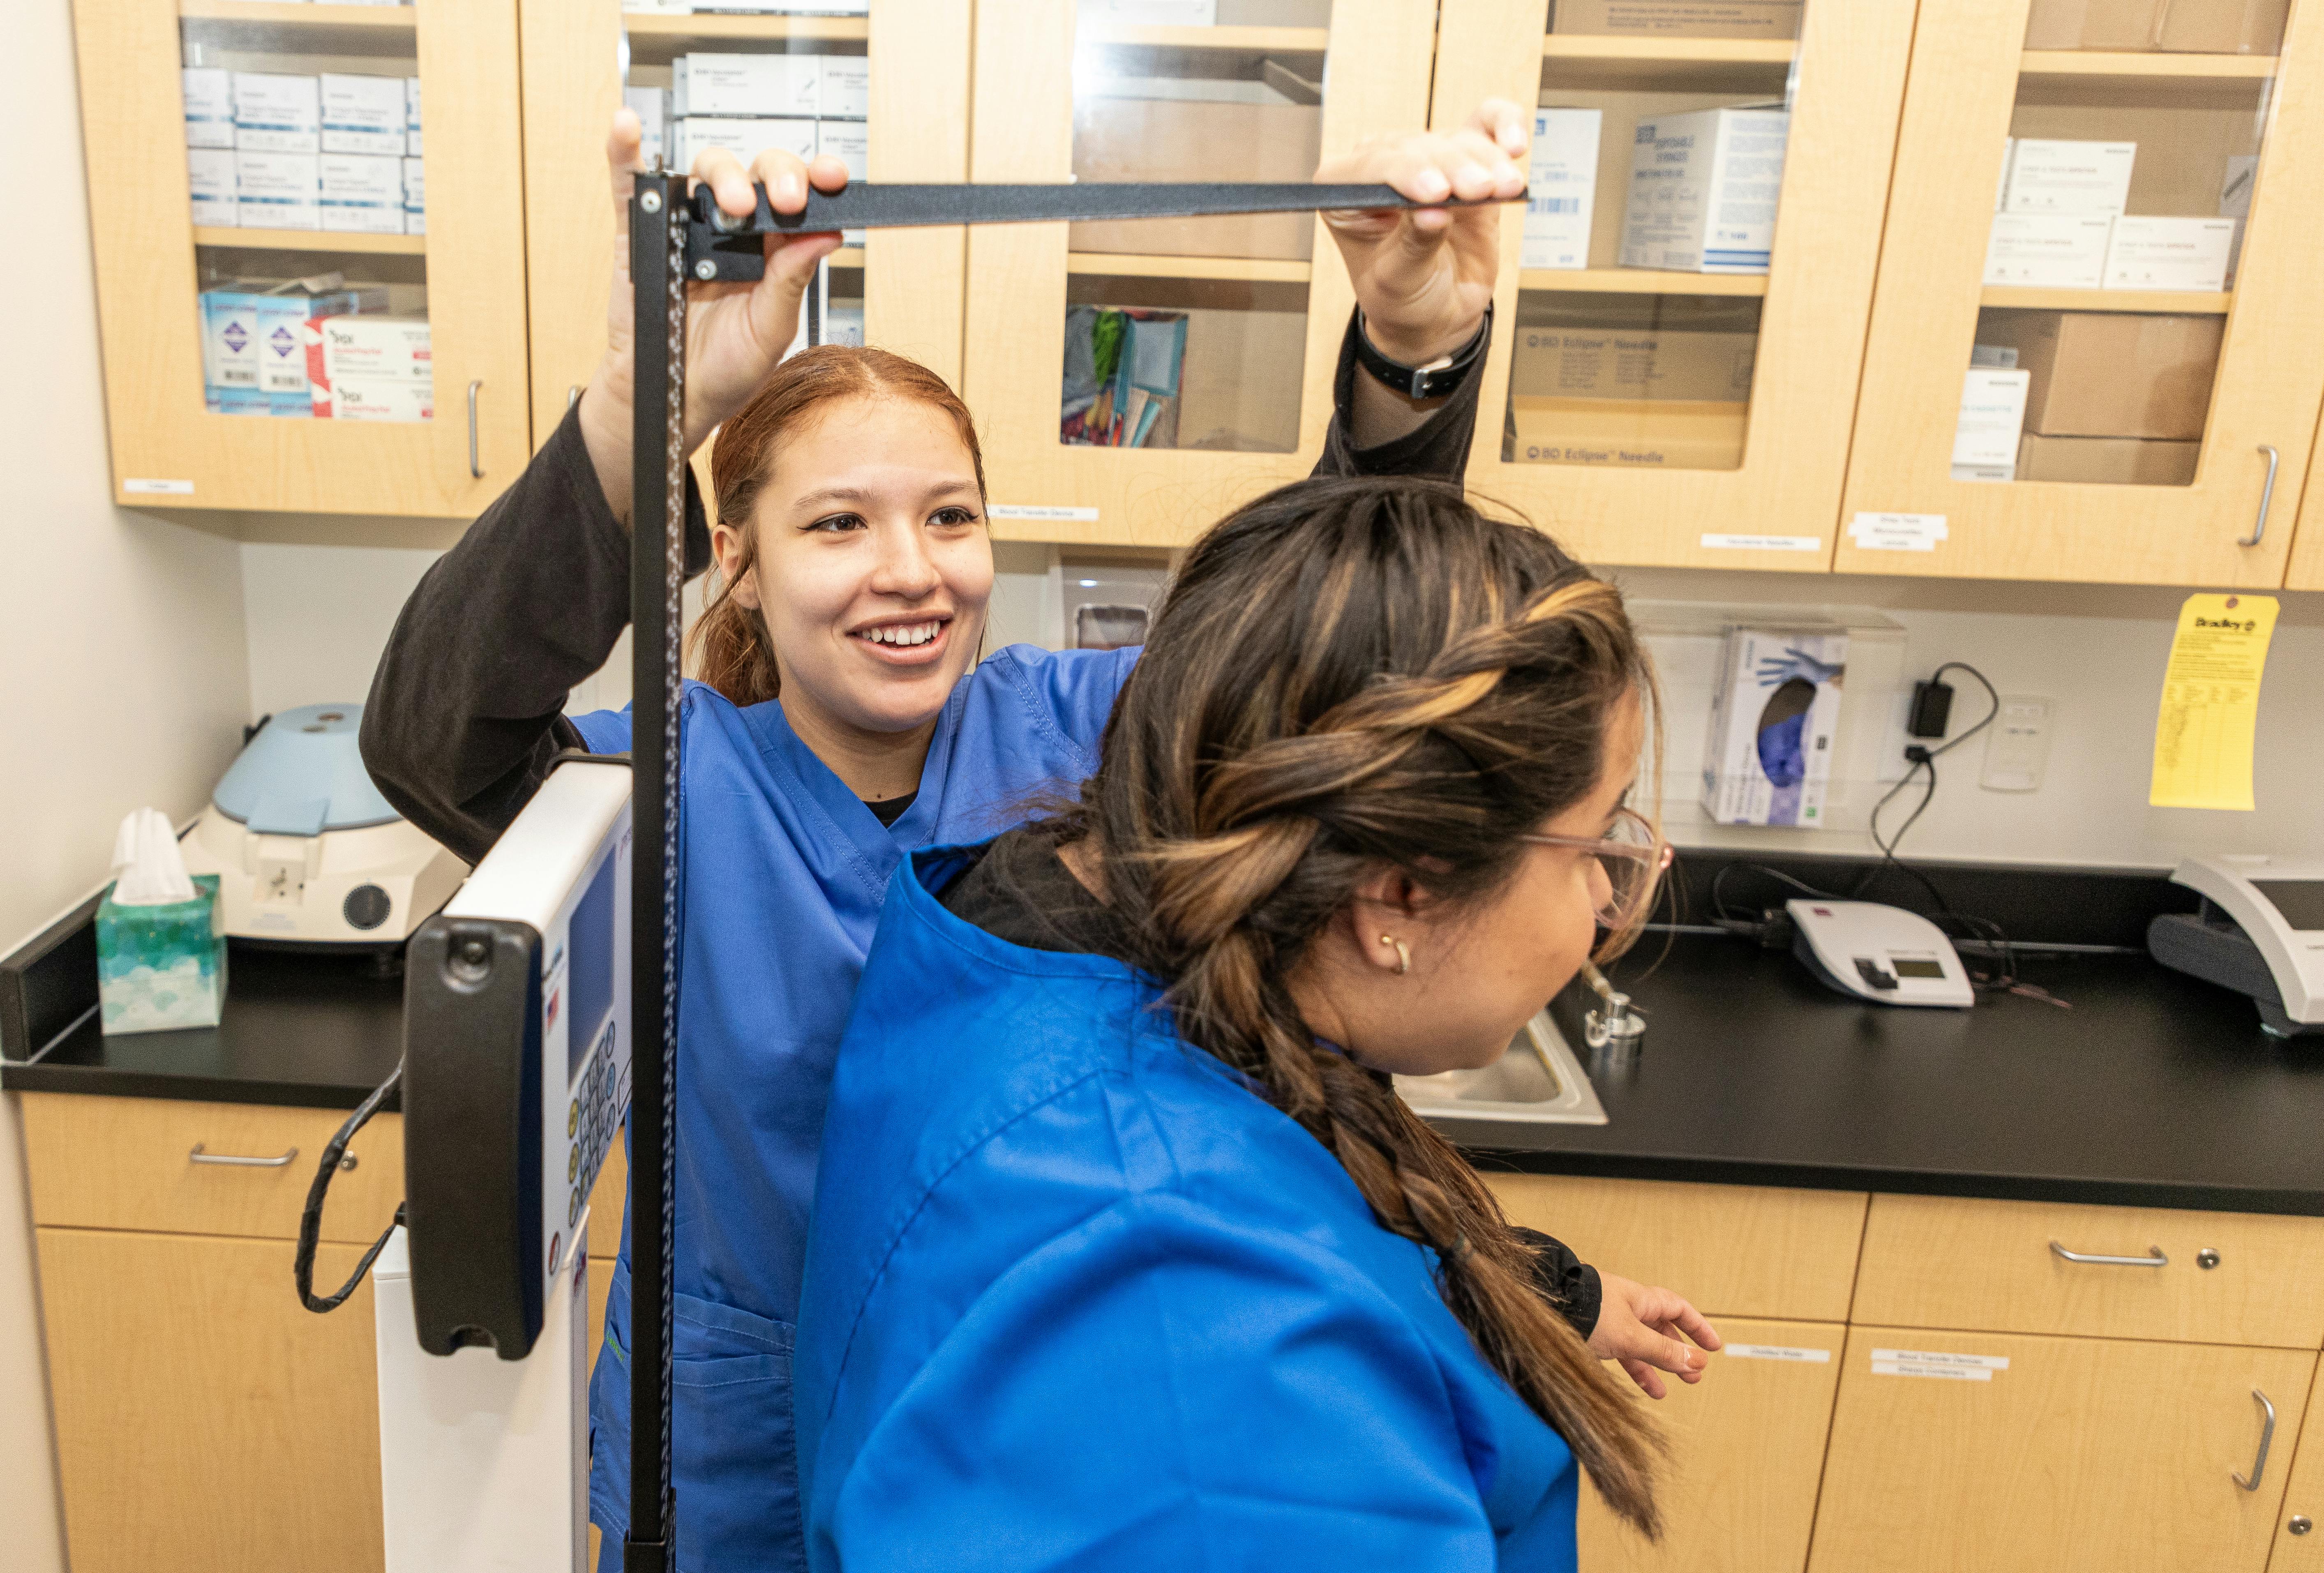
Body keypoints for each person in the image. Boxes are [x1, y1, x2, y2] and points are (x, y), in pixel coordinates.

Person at [362, 103, 1704, 1573]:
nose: (910, 572)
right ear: (733, 561)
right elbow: (438, 739)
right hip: (739, 1454)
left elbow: (1341, 664)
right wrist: (646, 403)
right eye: (837, 527)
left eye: (950, 515)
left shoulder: (1082, 738)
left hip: (1039, 1412)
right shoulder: (679, 784)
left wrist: (1410, 351)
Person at [796, 477, 1719, 1570]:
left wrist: (1536, 1290)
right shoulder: (1191, 1312)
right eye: (1595, 843)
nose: (1610, 902)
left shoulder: (1043, 923)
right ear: (1398, 898)